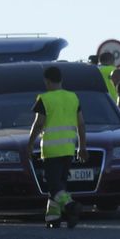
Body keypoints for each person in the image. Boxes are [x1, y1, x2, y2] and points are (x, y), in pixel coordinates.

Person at [26, 65, 85, 228]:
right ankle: (53, 218)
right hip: (68, 149)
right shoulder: (73, 97)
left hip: (52, 150)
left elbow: (38, 124)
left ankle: (71, 206)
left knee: (53, 184)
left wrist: (30, 144)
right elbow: (81, 123)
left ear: (47, 81)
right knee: (59, 185)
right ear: (61, 79)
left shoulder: (45, 99)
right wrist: (82, 146)